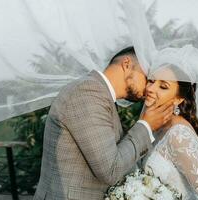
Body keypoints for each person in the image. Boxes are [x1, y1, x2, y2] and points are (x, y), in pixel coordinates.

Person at [33, 47, 174, 200]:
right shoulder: (88, 92)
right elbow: (110, 170)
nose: (149, 87)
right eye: (148, 78)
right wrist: (146, 126)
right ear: (126, 64)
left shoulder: (99, 93)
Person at [142, 64, 198, 199]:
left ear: (178, 99)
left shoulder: (178, 135)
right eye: (151, 81)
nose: (150, 89)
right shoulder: (157, 125)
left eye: (163, 86)